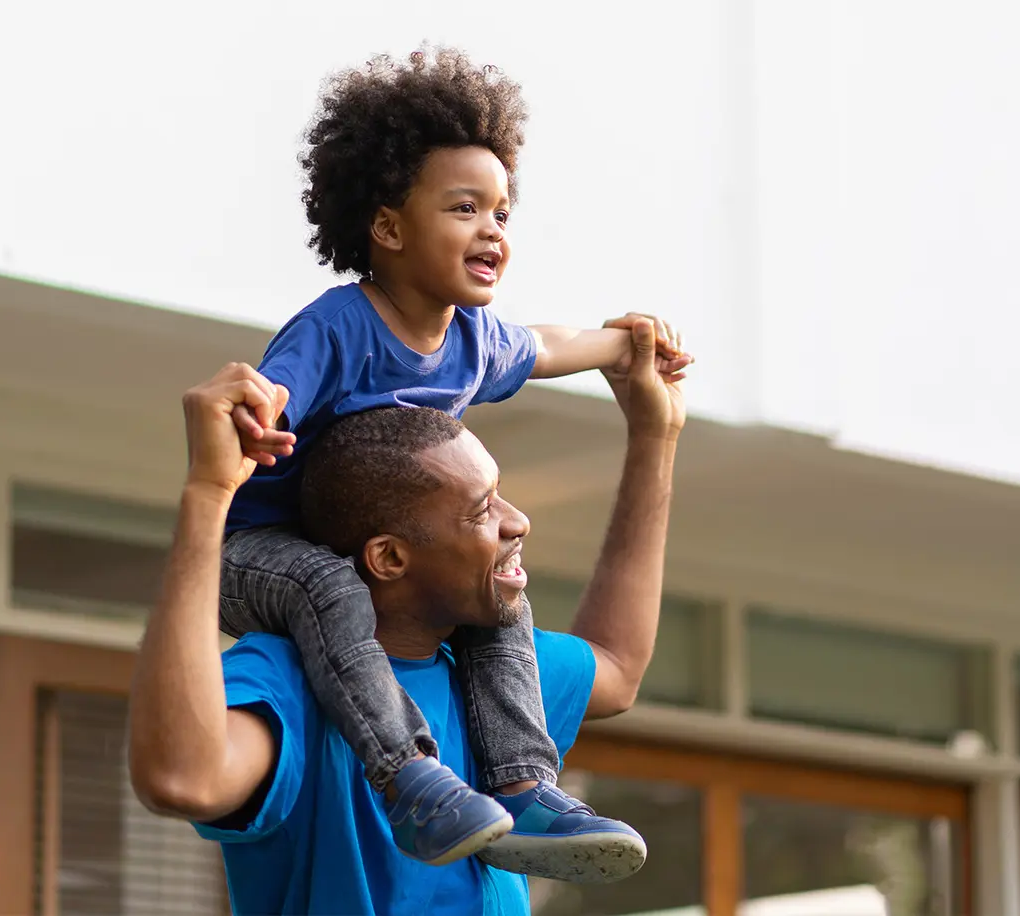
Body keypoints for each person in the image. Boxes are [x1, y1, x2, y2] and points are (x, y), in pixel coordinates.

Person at [210, 46, 692, 880]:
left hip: (359, 557)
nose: (492, 230)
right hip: (264, 552)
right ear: (389, 227)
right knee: (330, 590)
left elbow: (547, 344)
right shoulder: (339, 327)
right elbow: (275, 391)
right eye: (465, 208)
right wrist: (254, 419)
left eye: (502, 213)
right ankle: (407, 780)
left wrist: (629, 344)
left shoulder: (472, 341)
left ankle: (522, 782)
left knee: (501, 592)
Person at [128, 315, 685, 915]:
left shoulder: (495, 678)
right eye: (481, 511)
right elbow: (181, 778)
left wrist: (656, 435)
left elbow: (618, 665)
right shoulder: (285, 678)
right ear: (389, 558)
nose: (518, 521)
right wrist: (208, 493)